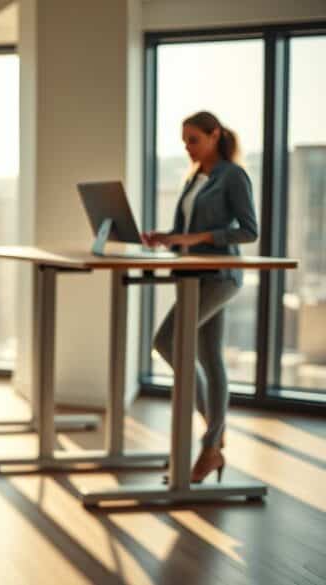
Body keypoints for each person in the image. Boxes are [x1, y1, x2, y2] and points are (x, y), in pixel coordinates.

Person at [141, 111, 258, 484]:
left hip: (220, 277)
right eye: (184, 141)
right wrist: (167, 236)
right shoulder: (194, 178)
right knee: (209, 357)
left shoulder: (232, 175)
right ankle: (212, 445)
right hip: (192, 276)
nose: (188, 147)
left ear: (214, 136)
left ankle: (212, 437)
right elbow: (185, 231)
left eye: (193, 139)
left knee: (166, 340)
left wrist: (202, 238)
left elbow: (249, 231)